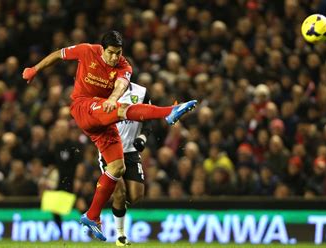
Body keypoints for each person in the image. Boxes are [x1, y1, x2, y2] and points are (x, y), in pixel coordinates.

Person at [22, 30, 197, 241]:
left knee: (117, 167)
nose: (115, 58)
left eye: (119, 53)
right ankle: (169, 111)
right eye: (111, 53)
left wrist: (113, 98)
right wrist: (35, 69)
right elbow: (59, 54)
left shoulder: (124, 66)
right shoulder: (87, 51)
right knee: (123, 110)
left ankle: (92, 216)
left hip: (104, 116)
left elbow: (121, 85)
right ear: (102, 49)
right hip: (83, 106)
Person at [98, 82, 150, 246]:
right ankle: (120, 235)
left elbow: (149, 119)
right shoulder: (101, 91)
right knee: (119, 192)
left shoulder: (142, 92)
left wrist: (142, 137)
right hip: (109, 150)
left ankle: (117, 204)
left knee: (136, 196)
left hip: (131, 152)